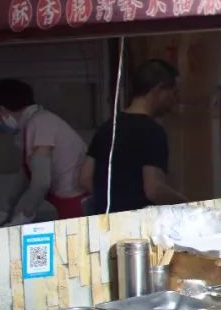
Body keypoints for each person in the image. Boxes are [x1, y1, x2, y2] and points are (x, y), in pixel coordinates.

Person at [80, 59, 186, 214]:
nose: (174, 101)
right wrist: (185, 202)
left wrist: (113, 200)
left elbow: (84, 178)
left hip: (104, 222)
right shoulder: (152, 131)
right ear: (158, 90)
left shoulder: (108, 127)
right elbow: (153, 189)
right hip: (138, 224)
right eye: (173, 93)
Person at [0, 79, 89, 224]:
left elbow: (41, 182)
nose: (0, 123)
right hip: (66, 202)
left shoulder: (41, 123)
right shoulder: (32, 125)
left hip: (75, 204)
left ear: (0, 110)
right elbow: (26, 173)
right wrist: (5, 208)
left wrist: (26, 216)